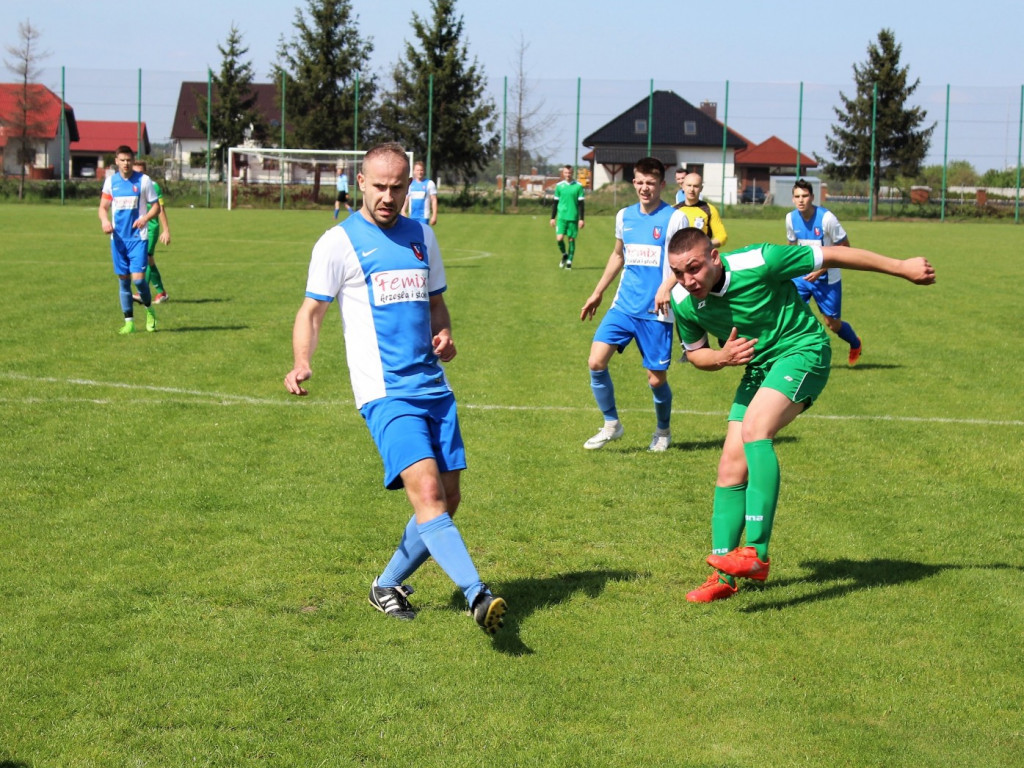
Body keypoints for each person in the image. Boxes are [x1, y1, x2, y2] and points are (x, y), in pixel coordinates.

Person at [284, 142, 506, 635]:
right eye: (379, 186)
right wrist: (302, 361)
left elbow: (436, 305)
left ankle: (386, 584)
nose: (388, 196)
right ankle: (477, 594)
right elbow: (312, 312)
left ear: (411, 186)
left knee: (448, 499)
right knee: (426, 491)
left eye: (397, 187)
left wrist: (445, 335)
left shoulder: (421, 234)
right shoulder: (337, 242)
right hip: (385, 392)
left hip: (434, 387)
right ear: (360, 182)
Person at [664, 228, 935, 603]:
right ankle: (724, 573)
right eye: (678, 272)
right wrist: (722, 358)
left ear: (713, 257)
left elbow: (834, 254)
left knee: (756, 430)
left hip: (803, 350)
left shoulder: (760, 261)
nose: (687, 280)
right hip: (759, 368)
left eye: (693, 268)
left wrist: (901, 266)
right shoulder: (682, 300)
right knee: (729, 465)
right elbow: (696, 354)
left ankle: (756, 554)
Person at [579, 156, 690, 452]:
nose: (644, 188)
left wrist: (667, 285)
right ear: (633, 182)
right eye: (639, 182)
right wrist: (597, 292)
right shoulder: (624, 216)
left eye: (650, 183)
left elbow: (686, 262)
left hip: (656, 313)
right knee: (595, 361)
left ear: (662, 185)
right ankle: (611, 424)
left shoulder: (675, 218)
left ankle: (663, 430)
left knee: (655, 381)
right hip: (624, 306)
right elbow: (618, 255)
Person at [786, 179, 863, 365]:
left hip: (827, 279)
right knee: (791, 315)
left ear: (812, 197)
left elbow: (845, 248)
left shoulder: (827, 218)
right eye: (797, 196)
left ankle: (855, 343)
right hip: (802, 277)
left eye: (805, 196)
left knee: (832, 324)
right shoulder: (790, 218)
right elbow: (791, 248)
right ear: (792, 199)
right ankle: (795, 357)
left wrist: (821, 271)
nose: (801, 200)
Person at [98, 145, 160, 334]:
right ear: (116, 161)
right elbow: (103, 207)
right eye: (122, 160)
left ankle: (150, 311)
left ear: (133, 161)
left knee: (139, 281)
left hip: (138, 239)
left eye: (129, 160)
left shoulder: (144, 181)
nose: (126, 163)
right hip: (118, 240)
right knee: (123, 281)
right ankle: (129, 322)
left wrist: (145, 218)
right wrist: (105, 221)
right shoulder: (111, 182)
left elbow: (156, 207)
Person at [131, 160, 171, 304]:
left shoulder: (153, 186)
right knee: (149, 261)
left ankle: (142, 293)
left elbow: (160, 209)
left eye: (141, 172)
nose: (138, 175)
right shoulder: (130, 186)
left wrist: (166, 230)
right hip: (137, 229)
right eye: (136, 172)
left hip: (151, 228)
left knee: (145, 258)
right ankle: (162, 293)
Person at [674, 172, 727, 249]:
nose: (692, 189)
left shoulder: (709, 209)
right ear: (683, 187)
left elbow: (722, 236)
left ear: (701, 188)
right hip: (679, 256)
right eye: (689, 185)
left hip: (701, 257)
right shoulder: (674, 210)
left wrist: (705, 245)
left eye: (695, 186)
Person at [550, 164, 585, 269]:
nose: (568, 174)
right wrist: (552, 217)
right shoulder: (559, 186)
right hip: (561, 217)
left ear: (572, 173)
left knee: (571, 239)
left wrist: (581, 219)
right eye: (566, 172)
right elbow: (555, 203)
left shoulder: (578, 186)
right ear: (563, 173)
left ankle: (569, 261)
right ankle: (565, 254)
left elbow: (581, 204)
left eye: (569, 172)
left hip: (573, 217)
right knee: (559, 238)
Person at [402, 160, 437, 227]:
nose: (419, 172)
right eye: (417, 170)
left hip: (423, 217)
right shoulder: (411, 184)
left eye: (421, 170)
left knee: (422, 236)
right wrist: (403, 210)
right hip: (412, 216)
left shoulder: (429, 183)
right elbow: (406, 198)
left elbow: (434, 200)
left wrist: (434, 215)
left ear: (424, 171)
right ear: (414, 171)